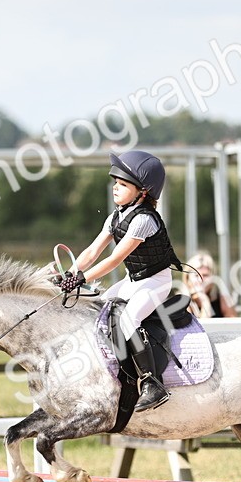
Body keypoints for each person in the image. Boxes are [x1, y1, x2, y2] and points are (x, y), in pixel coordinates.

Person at [57, 150, 182, 411]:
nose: (115, 187)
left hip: (155, 282)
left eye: (123, 184)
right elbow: (92, 252)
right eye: (115, 182)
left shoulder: (145, 221)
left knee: (128, 319)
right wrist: (70, 274)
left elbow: (114, 259)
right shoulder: (115, 217)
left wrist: (81, 279)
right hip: (133, 279)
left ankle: (152, 383)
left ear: (143, 192)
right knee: (99, 310)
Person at [183, 251, 238, 319]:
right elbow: (202, 328)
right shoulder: (181, 303)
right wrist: (205, 303)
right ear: (187, 278)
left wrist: (204, 299)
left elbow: (235, 326)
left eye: (205, 275)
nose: (200, 280)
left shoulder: (223, 299)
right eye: (196, 275)